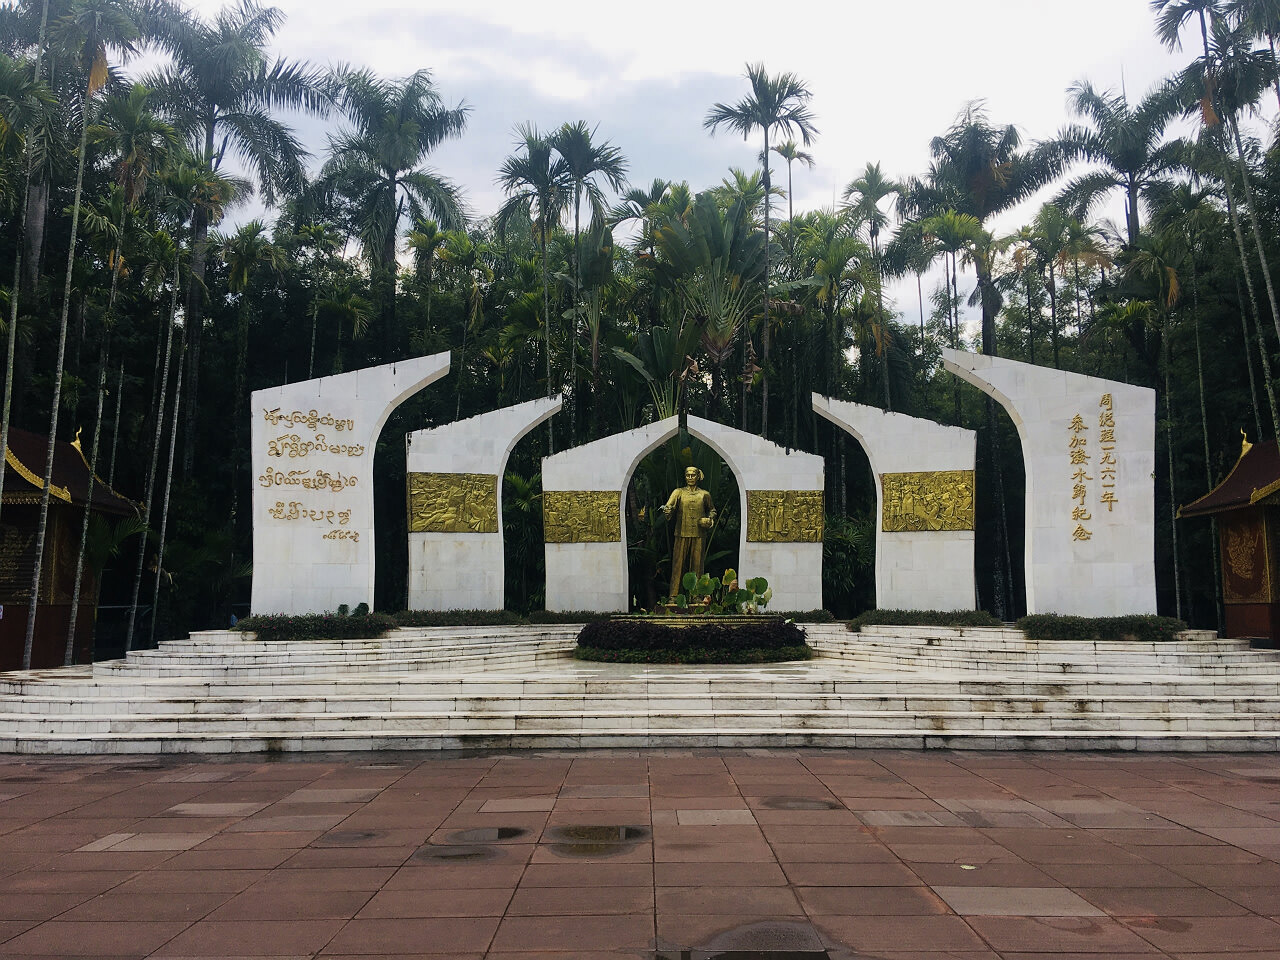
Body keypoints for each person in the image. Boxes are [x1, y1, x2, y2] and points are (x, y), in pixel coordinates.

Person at [660, 466, 716, 597]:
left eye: (693, 475)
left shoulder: (704, 494)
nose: (690, 478)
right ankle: (673, 596)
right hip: (681, 533)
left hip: (699, 534)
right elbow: (669, 507)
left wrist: (709, 519)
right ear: (685, 477)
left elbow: (712, 510)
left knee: (697, 566)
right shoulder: (678, 492)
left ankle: (696, 596)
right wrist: (667, 511)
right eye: (687, 475)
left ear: (698, 476)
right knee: (678, 566)